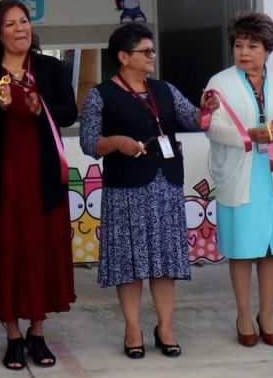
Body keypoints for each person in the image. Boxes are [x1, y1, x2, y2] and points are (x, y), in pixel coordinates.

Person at [79, 23, 214, 359]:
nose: (152, 56)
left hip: (165, 186)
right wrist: (116, 143)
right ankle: (133, 327)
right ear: (124, 57)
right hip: (125, 190)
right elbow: (88, 143)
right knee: (129, 262)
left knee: (165, 261)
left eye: (153, 51)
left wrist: (207, 108)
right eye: (145, 51)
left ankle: (165, 327)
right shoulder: (100, 95)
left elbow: (193, 120)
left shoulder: (164, 89)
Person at [0, 0, 78, 371]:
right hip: (0, 178)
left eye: (24, 22)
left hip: (41, 177)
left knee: (40, 249)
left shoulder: (50, 67)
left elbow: (68, 112)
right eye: (11, 24)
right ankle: (13, 334)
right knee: (4, 249)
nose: (20, 29)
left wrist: (38, 108)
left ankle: (38, 330)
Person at [203, 11, 273, 348]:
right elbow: (212, 126)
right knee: (241, 249)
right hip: (242, 174)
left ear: (268, 49)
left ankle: (266, 314)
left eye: (253, 45)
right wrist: (248, 136)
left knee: (271, 248)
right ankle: (242, 314)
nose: (244, 52)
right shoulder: (219, 82)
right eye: (239, 45)